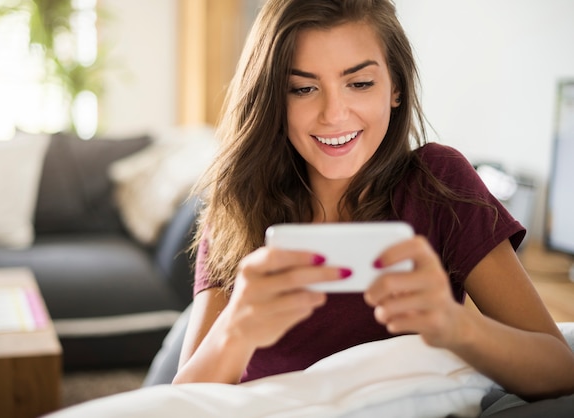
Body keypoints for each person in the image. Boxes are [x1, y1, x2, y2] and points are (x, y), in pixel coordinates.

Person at [172, 0, 574, 401]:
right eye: (303, 88)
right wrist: (236, 330)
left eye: (359, 83)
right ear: (276, 98)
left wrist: (454, 325)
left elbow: (560, 370)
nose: (333, 114)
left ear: (395, 88)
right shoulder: (241, 202)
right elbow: (179, 403)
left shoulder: (438, 183)